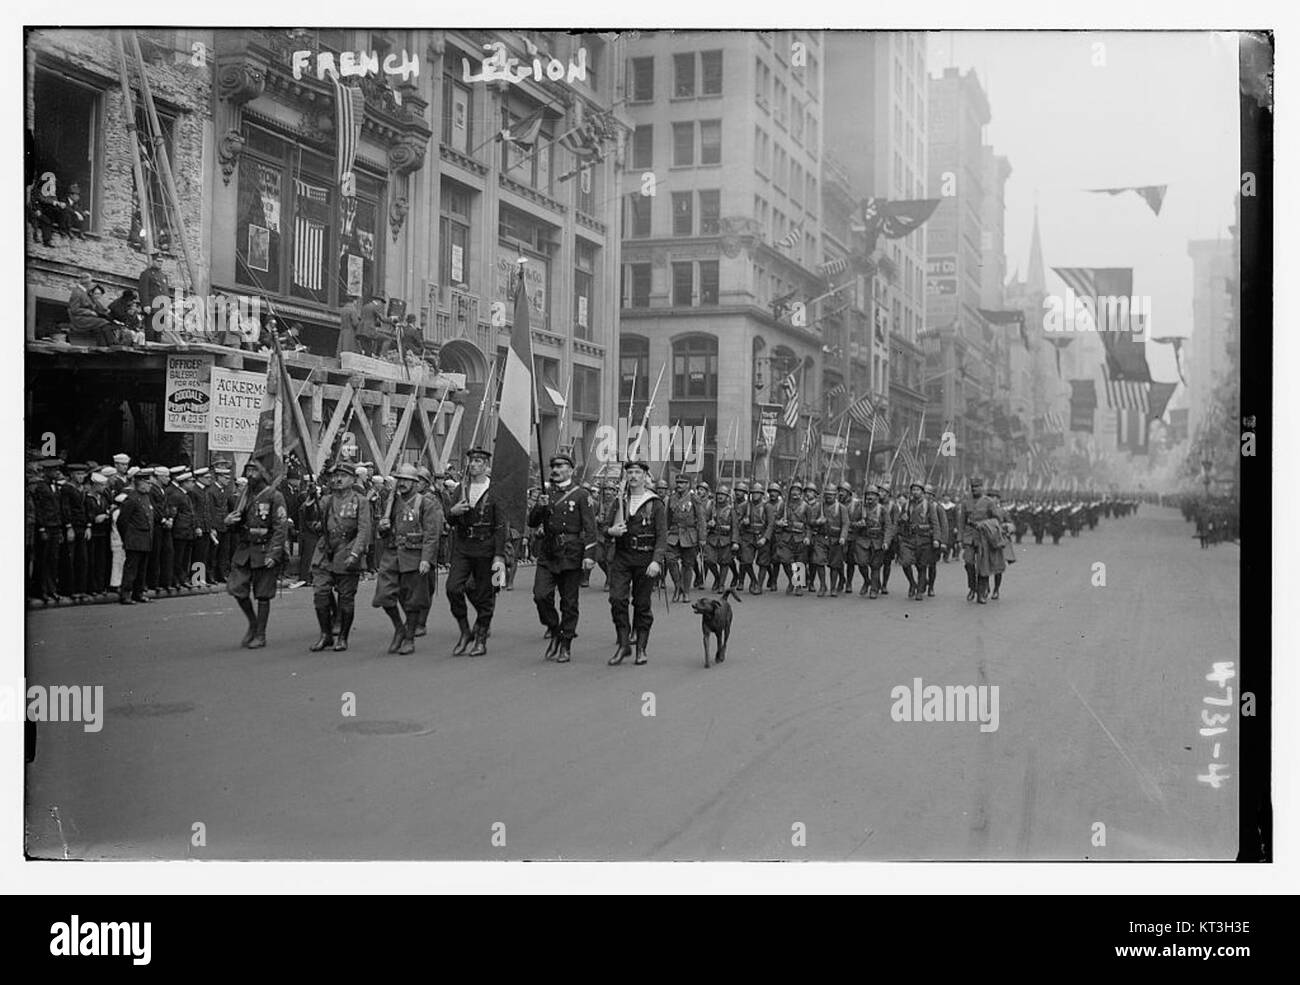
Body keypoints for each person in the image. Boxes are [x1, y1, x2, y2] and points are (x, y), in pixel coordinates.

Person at [530, 453, 597, 664]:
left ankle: (566, 642)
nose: (556, 470)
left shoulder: (581, 495)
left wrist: (589, 555)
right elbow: (532, 522)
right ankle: (553, 627)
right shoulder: (545, 493)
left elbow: (590, 528)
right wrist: (540, 506)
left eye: (560, 466)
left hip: (571, 553)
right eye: (553, 466)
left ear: (571, 469)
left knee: (569, 602)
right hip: (548, 552)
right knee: (540, 595)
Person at [599, 459, 667, 666]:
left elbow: (661, 536)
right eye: (630, 473)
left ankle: (641, 648)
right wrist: (611, 531)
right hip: (622, 556)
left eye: (638, 472)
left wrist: (656, 561)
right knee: (617, 599)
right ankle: (623, 644)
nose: (634, 476)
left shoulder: (654, 503)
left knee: (642, 603)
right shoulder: (620, 501)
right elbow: (603, 527)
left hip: (645, 558)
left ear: (645, 476)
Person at [374, 463, 443, 655]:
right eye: (400, 480)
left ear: (416, 483)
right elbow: (381, 531)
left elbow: (432, 534)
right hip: (392, 553)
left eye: (407, 480)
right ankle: (399, 627)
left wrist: (426, 559)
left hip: (414, 555)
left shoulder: (426, 503)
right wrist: (383, 526)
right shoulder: (391, 502)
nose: (403, 483)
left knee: (412, 600)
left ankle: (409, 637)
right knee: (384, 595)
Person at [444, 448, 507, 656]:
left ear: (486, 466)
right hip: (463, 545)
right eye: (471, 461)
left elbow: (500, 526)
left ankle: (480, 638)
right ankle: (464, 630)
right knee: (453, 588)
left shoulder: (495, 490)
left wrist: (499, 554)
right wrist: (452, 513)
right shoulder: (461, 488)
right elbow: (450, 518)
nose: (473, 465)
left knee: (485, 595)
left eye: (478, 461)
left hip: (486, 547)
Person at [307, 462, 372, 652]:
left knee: (345, 597)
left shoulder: (361, 501)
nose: (337, 479)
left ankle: (342, 636)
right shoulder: (327, 500)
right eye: (335, 476)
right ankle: (325, 634)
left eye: (342, 476)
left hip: (347, 550)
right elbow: (311, 519)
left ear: (352, 479)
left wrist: (355, 553)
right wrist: (312, 500)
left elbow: (363, 530)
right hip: (325, 551)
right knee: (320, 593)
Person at [224, 460, 288, 648]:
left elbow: (280, 527)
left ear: (264, 473)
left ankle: (260, 634)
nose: (250, 474)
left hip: (264, 549)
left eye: (254, 470)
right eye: (248, 470)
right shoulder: (244, 495)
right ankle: (253, 622)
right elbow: (237, 522)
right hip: (245, 549)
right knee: (236, 588)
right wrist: (228, 522)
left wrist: (274, 553)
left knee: (263, 594)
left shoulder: (274, 496)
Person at [956, 477, 1002, 604]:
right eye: (972, 487)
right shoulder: (966, 502)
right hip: (969, 537)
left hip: (984, 537)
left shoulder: (988, 502)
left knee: (983, 566)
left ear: (982, 487)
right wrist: (960, 538)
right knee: (968, 563)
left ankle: (981, 594)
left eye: (977, 487)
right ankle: (972, 587)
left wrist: (985, 524)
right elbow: (961, 521)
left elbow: (997, 519)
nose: (975, 489)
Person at [896, 480, 942, 602]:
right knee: (905, 562)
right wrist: (903, 519)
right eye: (913, 490)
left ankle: (920, 590)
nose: (915, 492)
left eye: (918, 490)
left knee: (922, 566)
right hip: (909, 539)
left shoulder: (929, 505)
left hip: (924, 539)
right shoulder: (906, 505)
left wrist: (937, 539)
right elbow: (899, 523)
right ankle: (912, 583)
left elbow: (935, 523)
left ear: (922, 492)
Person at [665, 472, 706, 603]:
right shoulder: (671, 498)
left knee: (688, 565)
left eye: (682, 483)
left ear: (688, 484)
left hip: (690, 535)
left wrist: (702, 538)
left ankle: (686, 591)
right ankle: (678, 586)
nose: (679, 485)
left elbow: (701, 519)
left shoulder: (694, 498)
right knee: (670, 559)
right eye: (678, 483)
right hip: (674, 534)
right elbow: (667, 518)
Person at [116, 470, 156, 604]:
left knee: (141, 569)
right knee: (131, 568)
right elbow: (122, 521)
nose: (150, 486)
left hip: (145, 539)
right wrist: (126, 537)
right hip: (134, 539)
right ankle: (125, 594)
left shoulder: (145, 497)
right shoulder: (132, 498)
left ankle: (138, 593)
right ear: (141, 483)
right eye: (148, 483)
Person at [848, 485, 893, 598]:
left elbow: (888, 527)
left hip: (877, 541)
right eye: (868, 494)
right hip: (863, 540)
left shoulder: (882, 510)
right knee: (861, 563)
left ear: (877, 497)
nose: (870, 497)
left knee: (875, 566)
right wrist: (858, 524)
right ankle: (866, 580)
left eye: (872, 495)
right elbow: (851, 523)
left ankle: (874, 589)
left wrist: (886, 541)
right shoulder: (860, 508)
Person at [32, 458, 64, 602]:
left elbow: (59, 509)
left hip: (55, 526)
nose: (57, 473)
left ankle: (52, 589)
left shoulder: (56, 487)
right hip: (46, 527)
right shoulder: (41, 487)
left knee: (53, 559)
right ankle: (41, 590)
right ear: (47, 472)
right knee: (43, 560)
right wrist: (42, 528)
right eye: (54, 470)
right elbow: (38, 509)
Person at [703, 484, 739, 594]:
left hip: (725, 539)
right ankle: (717, 577)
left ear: (727, 497)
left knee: (725, 563)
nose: (720, 496)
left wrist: (735, 541)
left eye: (723, 494)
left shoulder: (731, 510)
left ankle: (722, 584)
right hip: (712, 538)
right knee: (708, 560)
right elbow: (703, 521)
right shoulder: (711, 508)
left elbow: (735, 527)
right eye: (718, 494)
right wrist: (709, 524)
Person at [67, 276, 118, 346]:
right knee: (104, 323)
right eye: (90, 282)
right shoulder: (77, 292)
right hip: (79, 319)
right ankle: (112, 343)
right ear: (87, 283)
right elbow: (74, 309)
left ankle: (103, 345)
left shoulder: (84, 292)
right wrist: (90, 312)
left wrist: (105, 311)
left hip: (86, 317)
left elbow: (96, 305)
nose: (91, 284)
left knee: (100, 326)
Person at [138, 252, 170, 330]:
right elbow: (143, 290)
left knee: (159, 332)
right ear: (153, 261)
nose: (160, 263)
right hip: (152, 308)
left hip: (162, 308)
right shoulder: (146, 274)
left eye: (161, 261)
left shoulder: (163, 276)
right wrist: (146, 304)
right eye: (158, 261)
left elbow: (165, 292)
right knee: (150, 331)